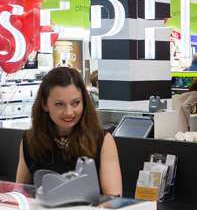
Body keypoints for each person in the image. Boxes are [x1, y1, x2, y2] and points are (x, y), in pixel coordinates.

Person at [16, 67, 122, 196]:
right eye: (59, 104)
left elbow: (113, 198)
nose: (69, 112)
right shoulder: (30, 140)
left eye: (75, 103)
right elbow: (20, 193)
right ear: (44, 104)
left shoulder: (103, 140)